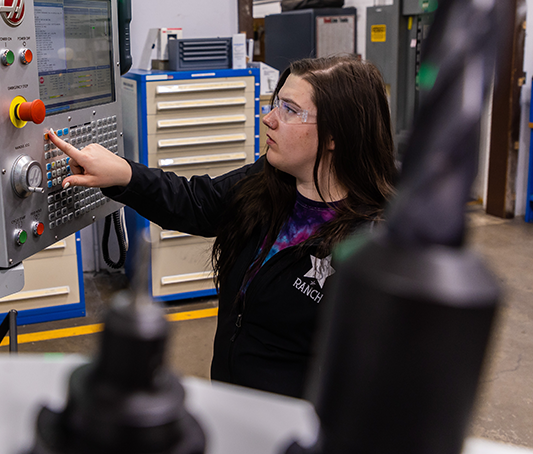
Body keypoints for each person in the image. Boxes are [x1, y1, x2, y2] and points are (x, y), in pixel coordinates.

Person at [46, 55, 397, 398]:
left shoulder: (370, 247)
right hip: (232, 395)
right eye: (276, 103)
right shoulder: (268, 182)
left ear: (336, 135)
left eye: (290, 110)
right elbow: (196, 202)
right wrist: (124, 174)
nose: (268, 118)